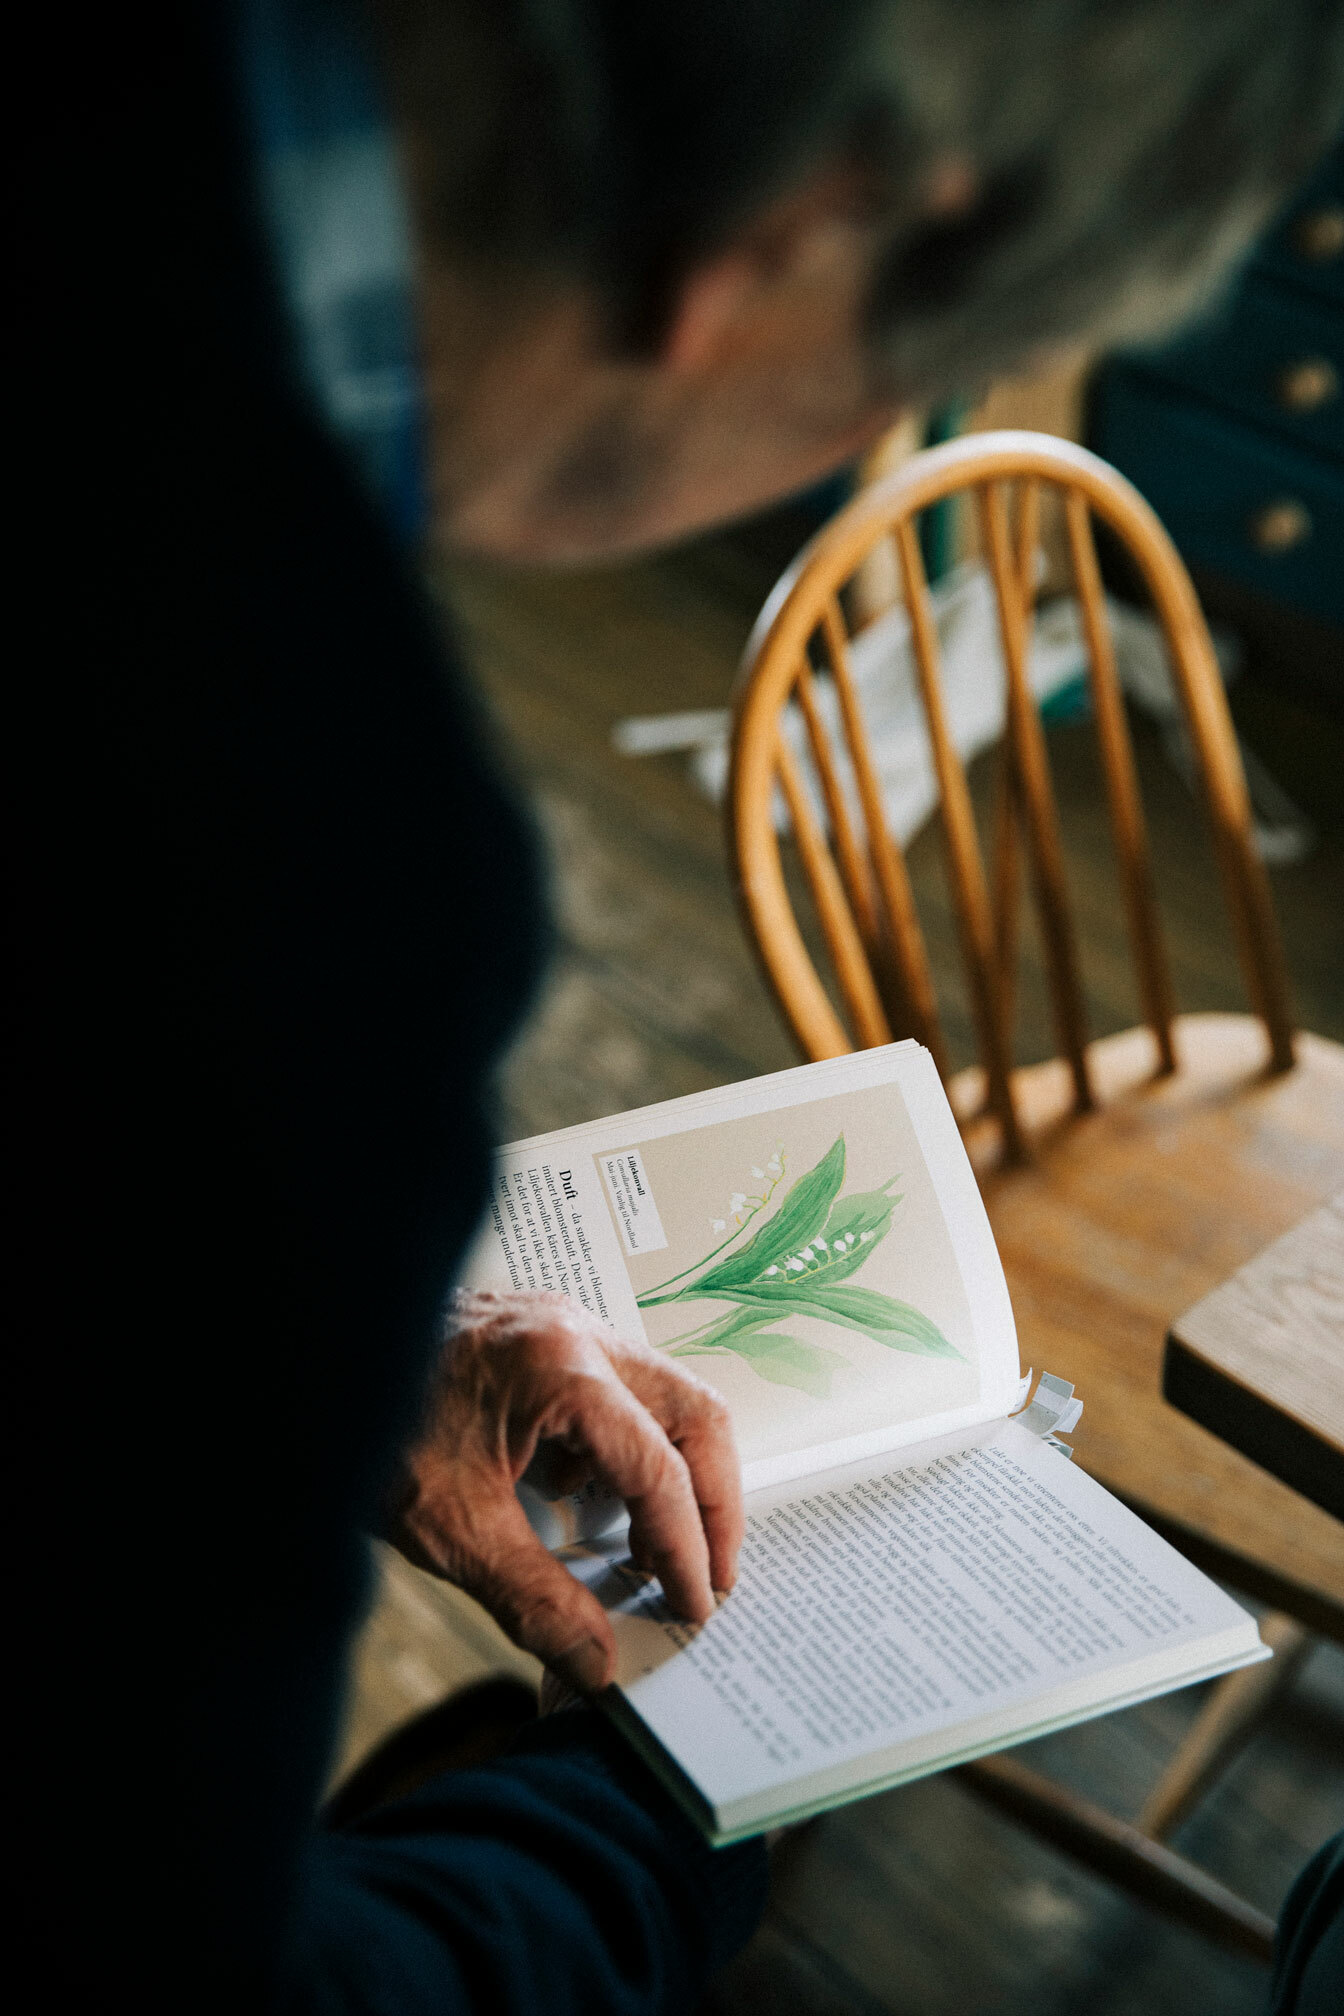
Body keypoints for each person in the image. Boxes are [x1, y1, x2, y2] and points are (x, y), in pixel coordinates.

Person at [16, 2, 1342, 2009]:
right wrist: (663, 1802)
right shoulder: (290, 871)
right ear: (805, 224)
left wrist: (374, 1364)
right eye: (910, 377)